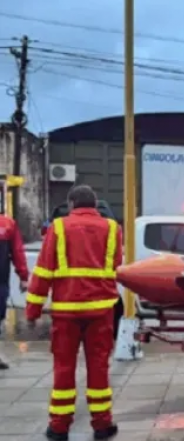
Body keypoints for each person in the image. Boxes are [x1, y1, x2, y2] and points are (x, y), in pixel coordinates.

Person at [26, 185, 122, 441]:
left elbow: (44, 271)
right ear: (95, 205)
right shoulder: (113, 229)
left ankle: (59, 428)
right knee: (99, 367)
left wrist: (33, 310)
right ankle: (102, 425)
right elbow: (115, 266)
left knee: (64, 368)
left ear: (71, 204)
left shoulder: (57, 228)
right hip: (101, 311)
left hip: (66, 312)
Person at [0, 213, 29, 370]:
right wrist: (24, 277)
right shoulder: (7, 225)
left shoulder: (7, 225)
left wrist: (24, 276)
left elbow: (17, 252)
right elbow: (17, 252)